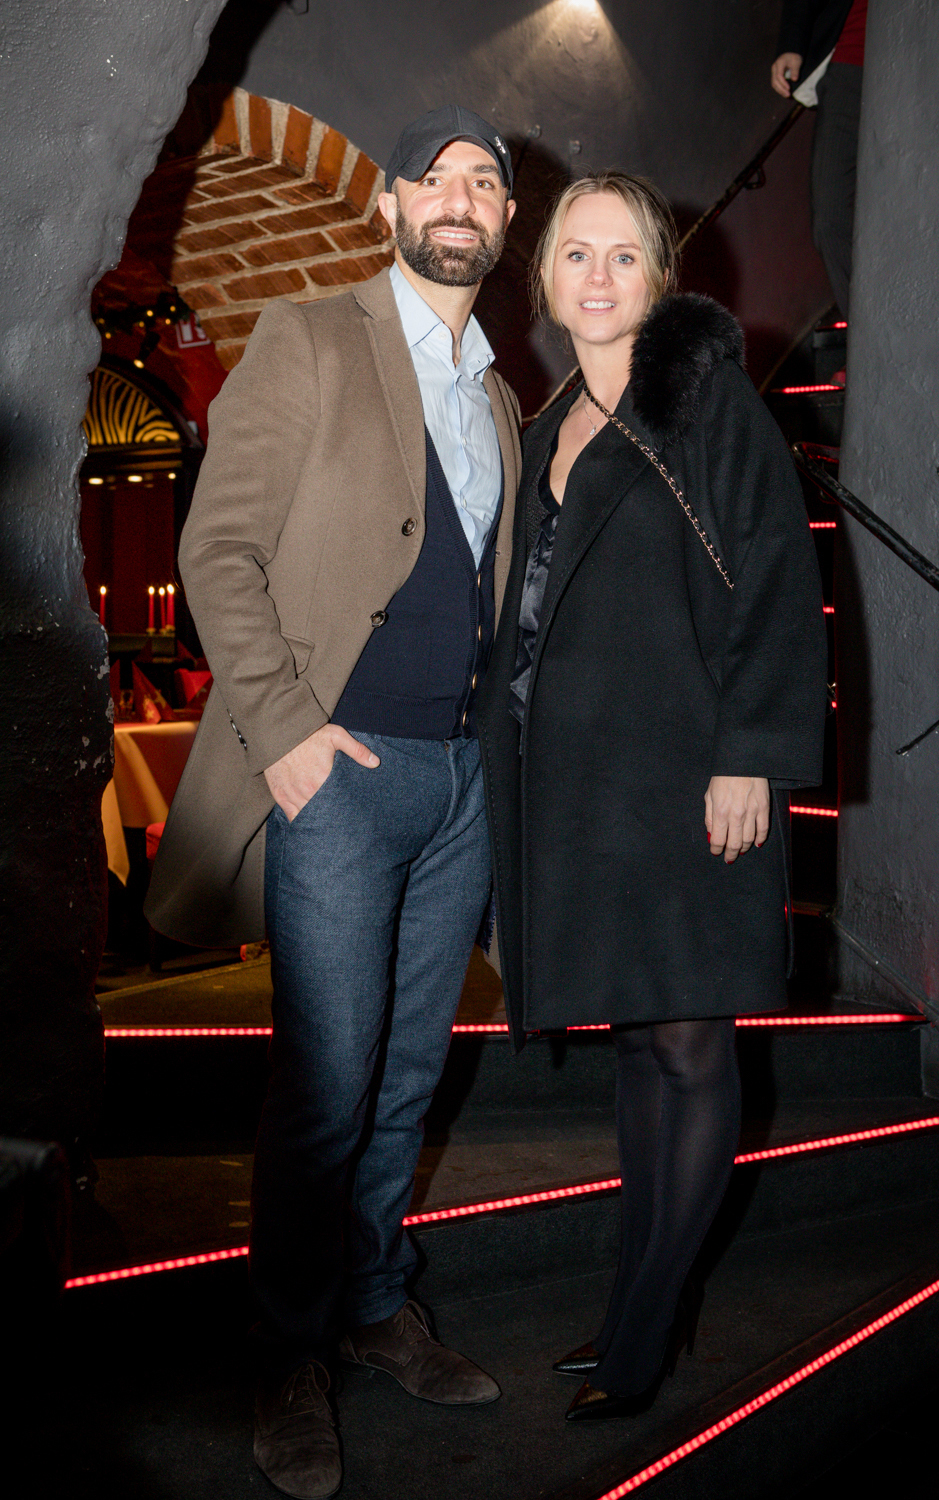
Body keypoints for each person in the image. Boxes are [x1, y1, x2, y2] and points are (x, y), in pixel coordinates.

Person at [146, 106, 521, 1498]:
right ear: (388, 205)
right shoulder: (309, 338)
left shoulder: (499, 396)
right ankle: (287, 1347)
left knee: (410, 1073)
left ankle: (372, 1304)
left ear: (506, 222)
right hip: (340, 778)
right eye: (437, 175)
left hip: (461, 785)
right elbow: (217, 549)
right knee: (325, 1081)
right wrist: (290, 734)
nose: (462, 196)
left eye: (487, 181)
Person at [477, 173, 827, 1421]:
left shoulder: (703, 396)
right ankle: (642, 1304)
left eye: (624, 255)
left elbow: (774, 575)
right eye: (576, 253)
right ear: (544, 276)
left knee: (687, 1043)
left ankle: (642, 1335)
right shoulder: (545, 422)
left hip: (687, 780)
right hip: (582, 794)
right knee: (638, 1048)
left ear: (660, 275)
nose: (599, 277)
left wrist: (751, 755)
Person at [771, 0, 868, 326]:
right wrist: (792, 41)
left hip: (925, 61)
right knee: (830, 216)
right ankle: (869, 337)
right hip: (850, 63)